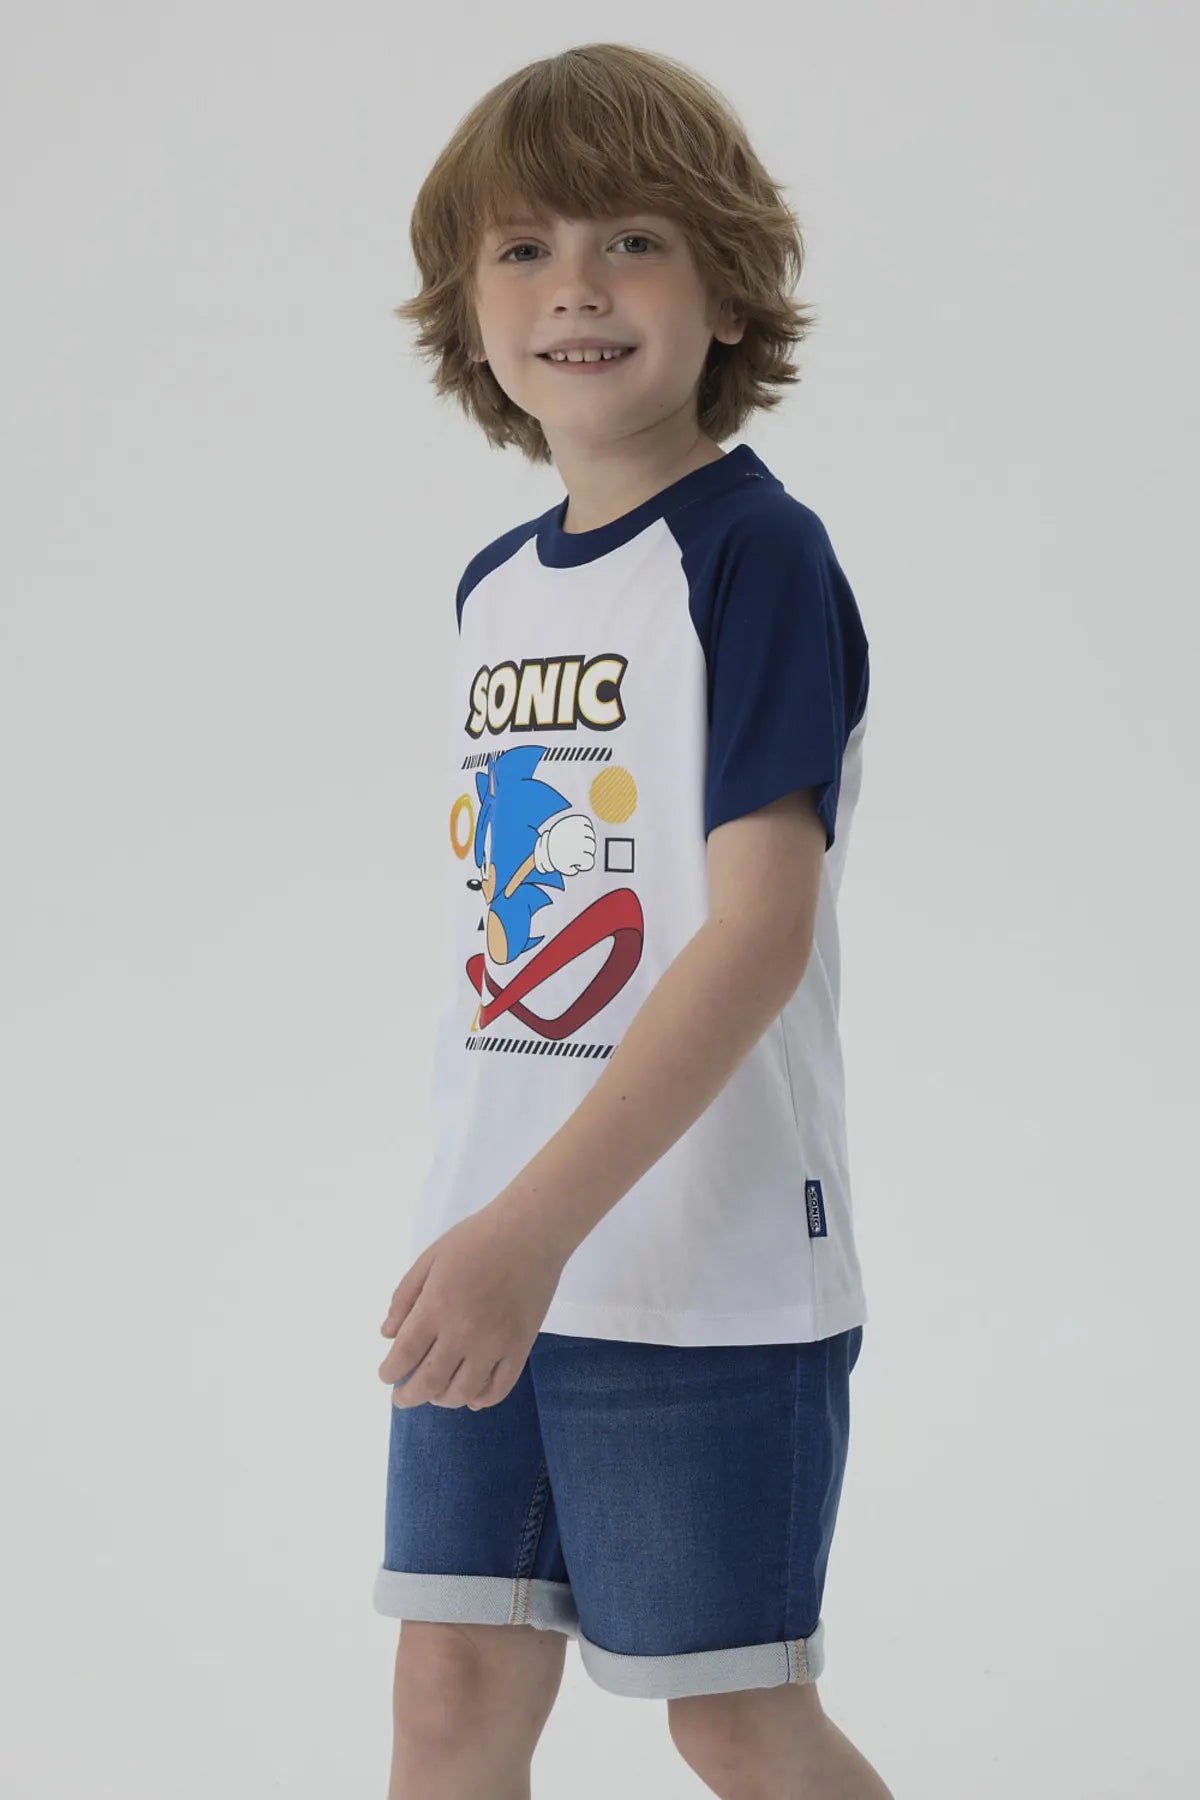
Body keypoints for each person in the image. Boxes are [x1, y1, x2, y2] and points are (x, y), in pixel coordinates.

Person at [371, 41, 894, 1800]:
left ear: (728, 293)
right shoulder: (494, 591)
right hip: (494, 1256)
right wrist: (491, 1236)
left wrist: (532, 1232)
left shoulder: (754, 558)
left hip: (696, 1273)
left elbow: (753, 936)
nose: (575, 287)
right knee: (448, 1691)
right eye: (524, 249)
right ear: (471, 311)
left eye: (633, 242)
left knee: (731, 1713)